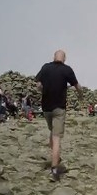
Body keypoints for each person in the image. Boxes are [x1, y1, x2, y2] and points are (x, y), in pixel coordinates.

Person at [35, 49, 82, 182]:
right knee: (56, 138)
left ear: (54, 57)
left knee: (52, 131)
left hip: (46, 108)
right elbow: (76, 85)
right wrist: (81, 95)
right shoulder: (67, 70)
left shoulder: (45, 67)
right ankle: (55, 168)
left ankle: (55, 157)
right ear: (64, 58)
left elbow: (38, 84)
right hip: (59, 108)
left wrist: (44, 90)